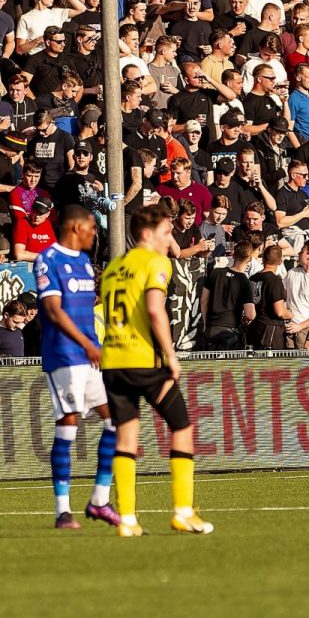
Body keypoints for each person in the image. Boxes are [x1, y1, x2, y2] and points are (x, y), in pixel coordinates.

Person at [97, 203, 212, 537]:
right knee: (182, 427)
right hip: (144, 359)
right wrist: (170, 354)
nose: (171, 238)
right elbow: (155, 310)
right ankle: (183, 512)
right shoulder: (156, 262)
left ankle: (128, 520)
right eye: (166, 232)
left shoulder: (114, 268)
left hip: (114, 360)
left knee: (127, 436)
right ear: (147, 234)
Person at [32, 202, 121, 529]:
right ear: (75, 227)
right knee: (68, 426)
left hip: (90, 355)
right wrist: (85, 344)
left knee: (115, 420)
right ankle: (63, 511)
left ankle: (99, 500)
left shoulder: (84, 262)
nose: (94, 233)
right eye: (92, 228)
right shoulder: (48, 260)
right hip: (64, 356)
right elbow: (54, 311)